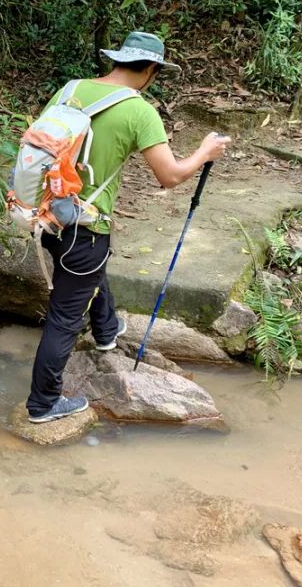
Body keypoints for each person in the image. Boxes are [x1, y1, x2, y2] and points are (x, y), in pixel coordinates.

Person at [26, 31, 230, 424]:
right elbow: (169, 177)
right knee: (65, 315)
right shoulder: (139, 112)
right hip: (85, 225)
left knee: (85, 271)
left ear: (117, 60)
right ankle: (43, 403)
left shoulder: (70, 90)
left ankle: (106, 330)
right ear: (151, 70)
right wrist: (205, 152)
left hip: (48, 214)